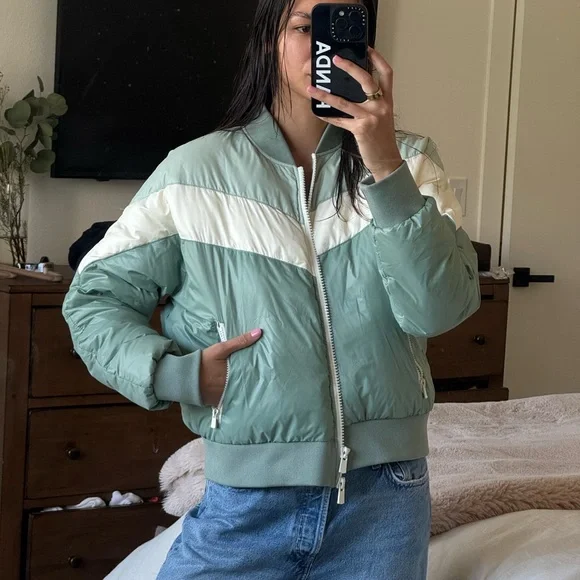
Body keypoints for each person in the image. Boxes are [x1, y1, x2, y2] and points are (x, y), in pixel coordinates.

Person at [63, 0, 480, 577]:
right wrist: (176, 374)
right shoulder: (193, 173)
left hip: (386, 499)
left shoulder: (409, 161)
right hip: (245, 500)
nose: (323, 46)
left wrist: (384, 163)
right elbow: (94, 300)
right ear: (268, 41)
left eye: (341, 27)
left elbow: (440, 308)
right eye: (305, 26)